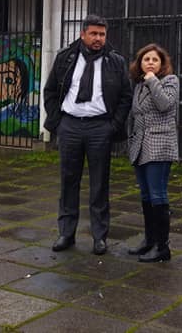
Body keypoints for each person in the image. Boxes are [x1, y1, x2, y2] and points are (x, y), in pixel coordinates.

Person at [43, 14, 132, 255]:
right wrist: (58, 122)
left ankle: (99, 236)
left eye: (102, 34)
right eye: (93, 34)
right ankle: (66, 233)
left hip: (100, 128)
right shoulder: (66, 58)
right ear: (83, 34)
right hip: (70, 125)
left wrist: (113, 126)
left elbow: (126, 96)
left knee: (99, 184)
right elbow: (50, 91)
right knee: (68, 181)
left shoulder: (115, 62)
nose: (98, 39)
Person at [126, 43, 179, 263]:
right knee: (146, 196)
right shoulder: (138, 86)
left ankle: (162, 246)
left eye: (155, 59)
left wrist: (152, 80)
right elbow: (135, 115)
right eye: (146, 59)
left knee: (158, 195)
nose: (150, 63)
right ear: (139, 63)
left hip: (159, 146)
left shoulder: (170, 81)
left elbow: (165, 104)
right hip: (139, 146)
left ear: (162, 63)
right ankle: (149, 240)